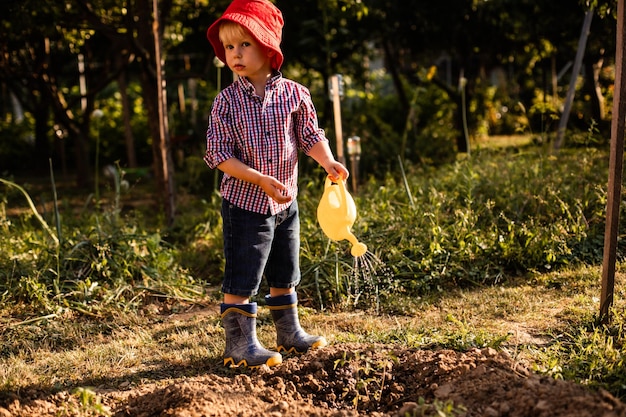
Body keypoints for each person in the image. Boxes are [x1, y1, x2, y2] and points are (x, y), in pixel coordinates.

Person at [204, 0, 349, 368]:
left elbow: (309, 136)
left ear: (268, 46)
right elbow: (219, 155)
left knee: (285, 271)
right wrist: (259, 179)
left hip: (285, 203)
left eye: (243, 44)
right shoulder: (226, 103)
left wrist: (328, 160)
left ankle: (288, 333)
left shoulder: (295, 95)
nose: (233, 54)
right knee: (244, 274)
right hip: (245, 205)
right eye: (228, 47)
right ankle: (239, 344)